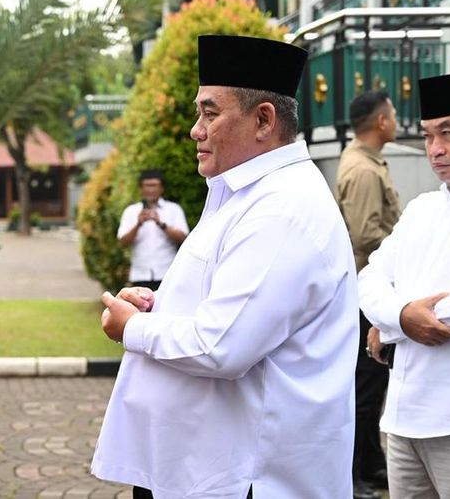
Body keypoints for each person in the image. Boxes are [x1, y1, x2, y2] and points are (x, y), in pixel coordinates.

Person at [92, 35, 358, 498]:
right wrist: (157, 306)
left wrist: (132, 328)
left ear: (263, 120)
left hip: (247, 477)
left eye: (210, 114)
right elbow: (225, 306)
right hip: (202, 466)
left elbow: (222, 346)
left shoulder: (282, 208)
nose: (196, 129)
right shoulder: (244, 195)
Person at [358, 71, 450, 499]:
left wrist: (393, 326)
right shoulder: (423, 208)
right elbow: (369, 278)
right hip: (403, 421)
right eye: (428, 135)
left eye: (448, 133)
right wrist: (401, 315)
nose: (434, 149)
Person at [335, 90, 400, 499]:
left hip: (370, 291)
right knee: (367, 389)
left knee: (371, 386)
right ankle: (358, 476)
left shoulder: (367, 161)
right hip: (367, 294)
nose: (396, 119)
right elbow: (364, 236)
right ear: (380, 121)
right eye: (392, 113)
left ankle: (372, 466)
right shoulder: (362, 169)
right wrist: (409, 246)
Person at [117, 169, 189, 291]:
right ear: (141, 189)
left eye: (154, 185)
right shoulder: (131, 211)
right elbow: (122, 242)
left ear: (162, 188)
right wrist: (138, 224)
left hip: (167, 274)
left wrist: (162, 225)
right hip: (140, 275)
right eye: (147, 186)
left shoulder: (174, 209)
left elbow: (183, 238)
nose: (151, 190)